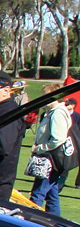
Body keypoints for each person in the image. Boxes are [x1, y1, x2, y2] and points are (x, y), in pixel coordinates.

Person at [29, 85, 74, 216]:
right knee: (52, 194)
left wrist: (40, 148)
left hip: (50, 160)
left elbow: (58, 139)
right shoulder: (51, 112)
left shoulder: (57, 113)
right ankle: (57, 223)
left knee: (38, 193)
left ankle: (30, 220)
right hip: (50, 159)